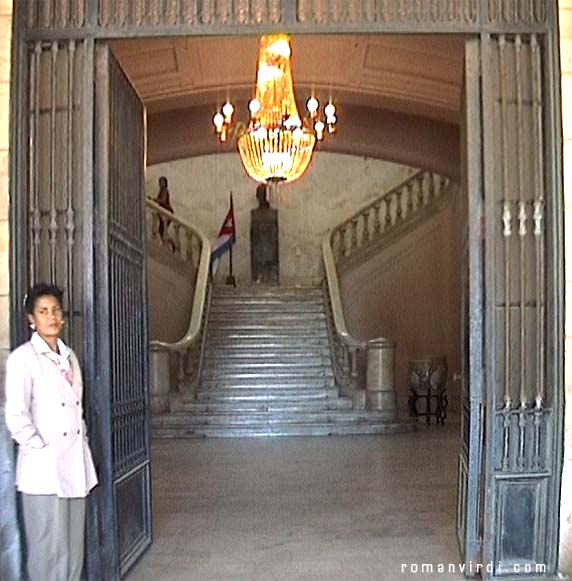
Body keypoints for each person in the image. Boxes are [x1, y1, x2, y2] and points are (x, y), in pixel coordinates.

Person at [4, 283, 98, 581]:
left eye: (56, 310)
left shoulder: (70, 357)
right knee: (47, 548)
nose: (52, 317)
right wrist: (39, 449)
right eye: (43, 311)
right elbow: (16, 415)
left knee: (72, 548)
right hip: (44, 471)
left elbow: (77, 409)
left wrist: (80, 438)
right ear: (31, 318)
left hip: (74, 466)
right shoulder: (23, 358)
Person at [155, 176, 174, 241]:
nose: (160, 183)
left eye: (162, 182)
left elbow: (163, 200)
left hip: (166, 211)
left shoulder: (165, 191)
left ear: (165, 183)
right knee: (161, 230)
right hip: (162, 212)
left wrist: (155, 200)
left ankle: (172, 245)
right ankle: (167, 243)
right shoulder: (161, 191)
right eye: (159, 182)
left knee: (163, 230)